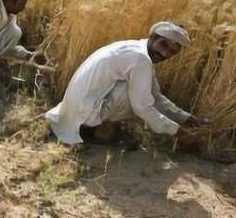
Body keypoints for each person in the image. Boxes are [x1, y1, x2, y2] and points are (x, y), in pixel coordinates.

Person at [45, 21, 209, 148]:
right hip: (84, 112)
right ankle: (97, 131)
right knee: (137, 97)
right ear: (152, 37)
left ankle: (95, 125)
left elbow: (156, 96)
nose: (165, 53)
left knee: (141, 92)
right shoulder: (140, 60)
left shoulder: (137, 49)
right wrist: (179, 133)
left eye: (172, 52)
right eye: (164, 45)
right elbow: (143, 107)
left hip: (76, 108)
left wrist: (187, 119)